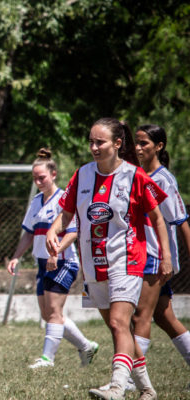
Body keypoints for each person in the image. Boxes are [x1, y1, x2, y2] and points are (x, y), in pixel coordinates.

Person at [46, 118, 171, 400]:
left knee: (118, 322)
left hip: (127, 259)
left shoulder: (135, 176)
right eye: (90, 141)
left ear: (117, 144)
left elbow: (158, 219)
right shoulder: (82, 175)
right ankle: (147, 389)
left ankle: (117, 387)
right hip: (93, 263)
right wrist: (54, 230)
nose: (93, 147)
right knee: (119, 328)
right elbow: (67, 213)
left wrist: (165, 256)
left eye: (99, 142)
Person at [6, 148, 98, 369]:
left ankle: (48, 359)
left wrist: (55, 253)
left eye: (42, 177)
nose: (38, 182)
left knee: (54, 313)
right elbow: (29, 232)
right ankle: (86, 346)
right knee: (49, 315)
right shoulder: (37, 201)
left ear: (54, 174)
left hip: (63, 261)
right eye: (35, 178)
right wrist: (16, 257)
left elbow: (73, 231)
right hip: (41, 262)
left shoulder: (64, 199)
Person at [131, 124, 190, 387]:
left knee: (139, 316)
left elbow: (182, 221)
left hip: (156, 256)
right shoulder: (136, 175)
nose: (138, 148)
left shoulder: (163, 179)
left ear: (159, 146)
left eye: (144, 143)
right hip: (143, 254)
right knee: (164, 317)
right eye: (136, 142)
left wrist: (170, 258)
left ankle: (130, 380)